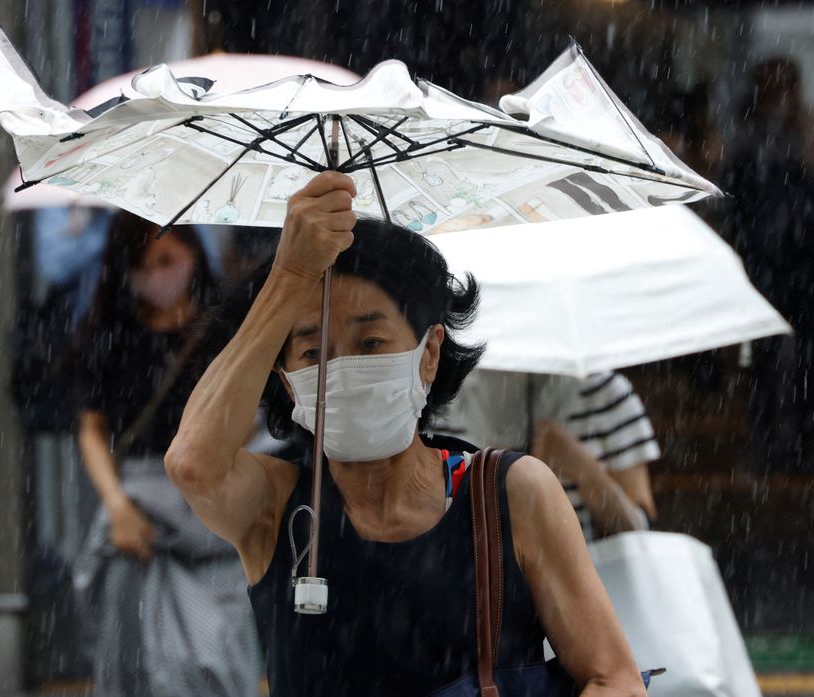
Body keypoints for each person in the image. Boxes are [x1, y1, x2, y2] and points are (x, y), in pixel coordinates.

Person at [166, 172, 647, 697]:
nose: (342, 368)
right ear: (285, 381)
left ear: (430, 353)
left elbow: (612, 678)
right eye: (312, 353)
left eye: (370, 342)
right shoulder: (277, 507)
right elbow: (193, 464)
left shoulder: (509, 494)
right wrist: (290, 274)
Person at [72, 211, 260, 697]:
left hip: (210, 520)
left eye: (168, 260)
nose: (159, 275)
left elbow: (247, 422)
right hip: (140, 518)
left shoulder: (224, 333)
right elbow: (92, 429)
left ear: (193, 256)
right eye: (145, 264)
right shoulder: (115, 337)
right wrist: (116, 507)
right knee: (132, 661)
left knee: (212, 657)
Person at [722, 57, 814, 475]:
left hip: (803, 262)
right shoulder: (749, 139)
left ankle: (799, 444)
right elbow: (737, 196)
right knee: (768, 364)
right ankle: (773, 443)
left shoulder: (805, 134)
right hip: (770, 263)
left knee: (807, 360)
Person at [434, 370, 659, 542]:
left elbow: (640, 531)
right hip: (479, 586)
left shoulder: (605, 393)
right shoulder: (448, 395)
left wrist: (584, 471)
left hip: (578, 583)